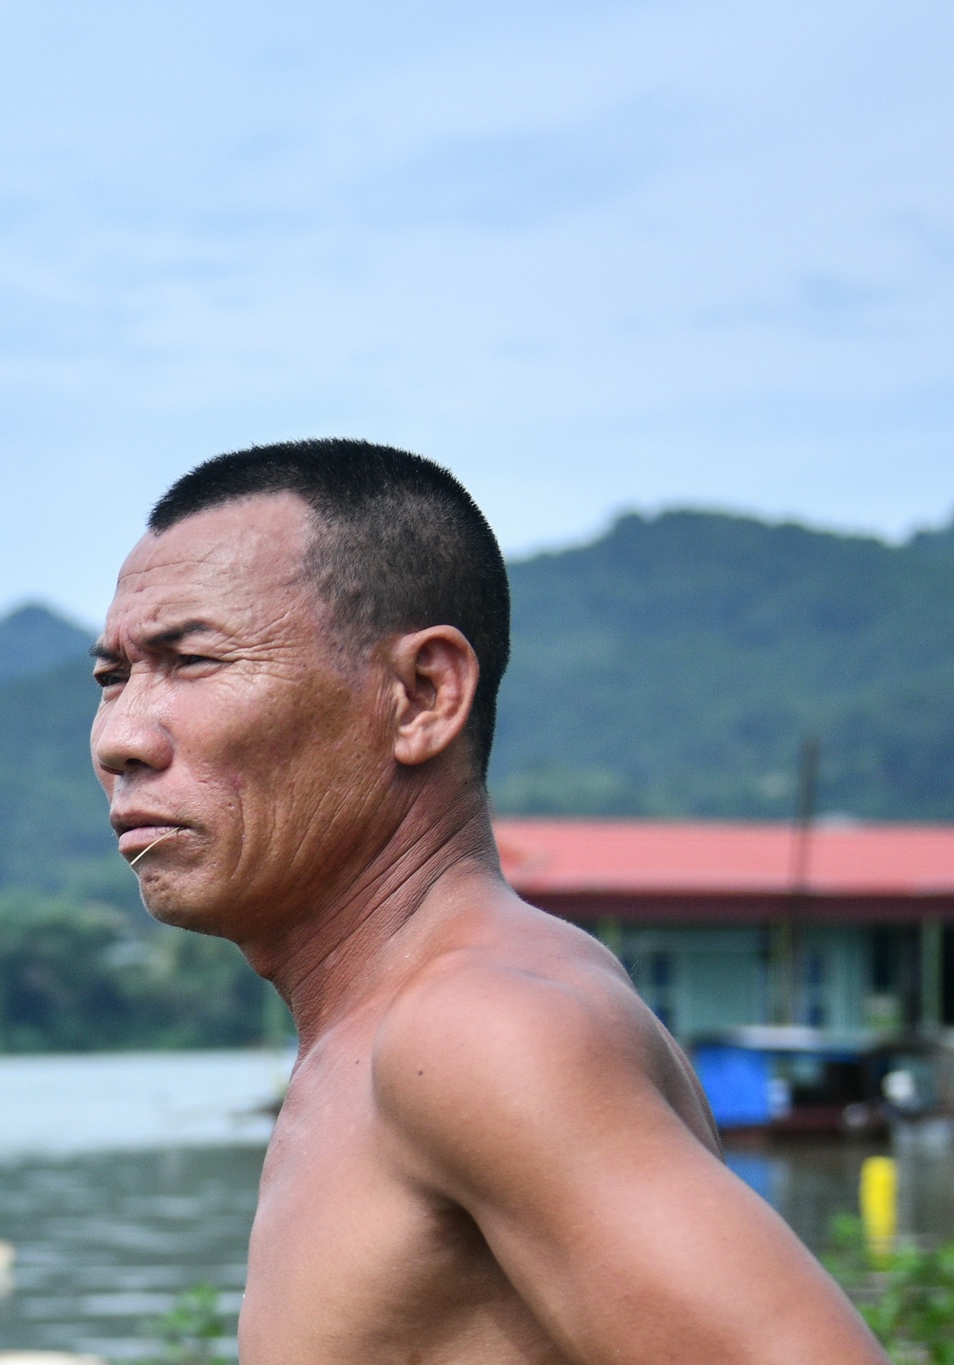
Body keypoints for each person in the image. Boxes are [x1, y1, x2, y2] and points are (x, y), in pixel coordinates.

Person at [89, 440, 883, 1364]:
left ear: (423, 695)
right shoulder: (400, 1026)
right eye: (112, 677)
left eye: (190, 660)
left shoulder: (474, 1028)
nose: (121, 737)